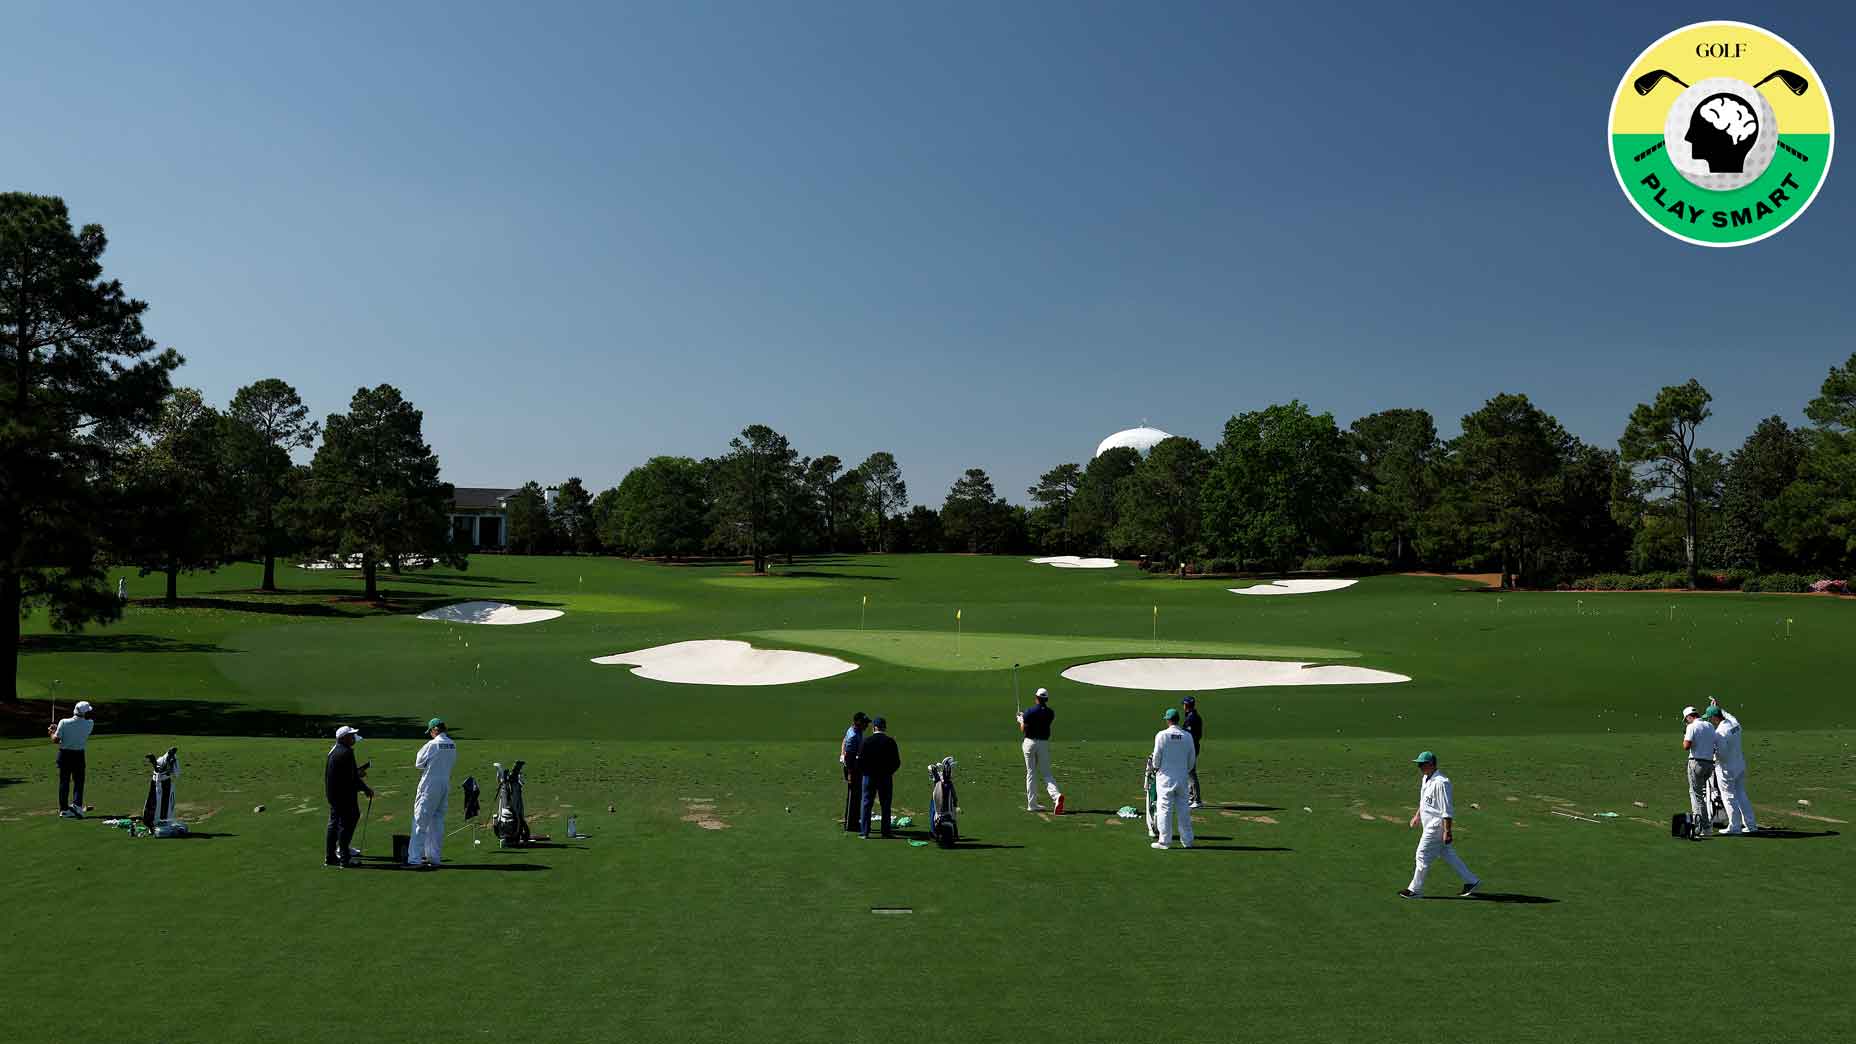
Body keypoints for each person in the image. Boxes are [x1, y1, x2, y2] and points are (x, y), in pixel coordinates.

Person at [1399, 751, 1480, 898]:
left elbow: (1447, 810)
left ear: (1431, 764)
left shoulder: (1442, 783)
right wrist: (1417, 815)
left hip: (1436, 826)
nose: (1419, 767)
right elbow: (1424, 801)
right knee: (1447, 853)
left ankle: (1414, 890)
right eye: (1418, 764)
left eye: (1422, 764)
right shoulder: (1426, 778)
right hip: (1428, 823)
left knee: (1422, 855)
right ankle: (1471, 880)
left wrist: (1447, 831)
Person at [408, 718, 458, 870]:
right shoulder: (452, 744)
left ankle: (414, 859)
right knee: (437, 822)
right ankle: (434, 857)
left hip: (429, 786)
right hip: (444, 784)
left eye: (430, 731)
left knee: (420, 821)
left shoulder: (432, 744)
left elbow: (418, 763)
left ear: (434, 730)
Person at [324, 725, 374, 868]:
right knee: (347, 823)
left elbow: (346, 774)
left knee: (334, 824)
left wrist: (357, 775)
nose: (353, 738)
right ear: (344, 738)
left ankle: (331, 857)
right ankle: (345, 858)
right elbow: (352, 778)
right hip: (344, 795)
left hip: (333, 794)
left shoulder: (335, 750)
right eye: (351, 736)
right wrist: (366, 789)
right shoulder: (346, 753)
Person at [1705, 704, 1758, 835]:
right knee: (1741, 794)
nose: (1709, 720)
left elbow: (1721, 754)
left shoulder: (1720, 732)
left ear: (1714, 718)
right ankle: (1751, 825)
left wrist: (1713, 756)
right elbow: (1729, 715)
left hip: (1726, 768)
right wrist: (1719, 707)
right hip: (1739, 764)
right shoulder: (1734, 723)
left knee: (1728, 796)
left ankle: (1734, 826)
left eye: (1709, 718)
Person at [1149, 707, 1196, 850]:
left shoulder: (1162, 735)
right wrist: (1184, 771)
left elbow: (1156, 757)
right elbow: (1192, 759)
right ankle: (1187, 841)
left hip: (1165, 777)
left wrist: (1156, 768)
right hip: (1182, 777)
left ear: (1168, 720)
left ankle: (1164, 841)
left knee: (1164, 808)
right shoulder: (1187, 736)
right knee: (1184, 809)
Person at [1018, 687, 1064, 814]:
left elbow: (1024, 729)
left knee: (1031, 773)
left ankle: (1032, 804)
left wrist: (1021, 720)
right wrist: (1024, 719)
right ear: (1046, 699)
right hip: (1043, 743)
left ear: (1036, 698)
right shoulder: (1050, 713)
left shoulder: (1029, 712)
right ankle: (1056, 796)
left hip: (1029, 743)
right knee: (1047, 773)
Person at [50, 700, 95, 817]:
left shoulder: (63, 722)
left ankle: (64, 810)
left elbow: (56, 739)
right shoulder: (90, 723)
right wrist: (58, 730)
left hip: (64, 755)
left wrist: (52, 732)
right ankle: (77, 806)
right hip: (79, 755)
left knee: (64, 782)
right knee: (79, 782)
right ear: (85, 713)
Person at [858, 717, 901, 839]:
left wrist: (865, 772)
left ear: (874, 727)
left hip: (869, 777)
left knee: (866, 803)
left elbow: (860, 761)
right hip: (885, 777)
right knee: (886, 804)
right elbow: (896, 762)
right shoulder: (890, 742)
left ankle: (865, 832)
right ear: (884, 727)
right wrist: (889, 772)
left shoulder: (866, 741)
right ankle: (886, 831)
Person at [1681, 705, 1717, 840]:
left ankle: (1702, 827)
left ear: (1689, 717)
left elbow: (1686, 746)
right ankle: (1705, 825)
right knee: (1701, 795)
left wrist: (1686, 736)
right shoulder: (1709, 726)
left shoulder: (1691, 727)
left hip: (1696, 762)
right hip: (1709, 764)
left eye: (1686, 720)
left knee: (1696, 796)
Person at [840, 711, 870, 832]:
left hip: (854, 767)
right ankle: (851, 825)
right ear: (857, 722)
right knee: (854, 796)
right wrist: (850, 774)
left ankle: (852, 822)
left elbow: (843, 741)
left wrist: (842, 753)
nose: (866, 725)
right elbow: (849, 757)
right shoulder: (853, 735)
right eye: (864, 723)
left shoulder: (854, 731)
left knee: (856, 796)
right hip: (853, 769)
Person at [1182, 695, 1204, 808]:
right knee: (1189, 772)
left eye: (1184, 705)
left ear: (1187, 705)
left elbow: (1189, 735)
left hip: (1192, 748)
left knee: (1191, 772)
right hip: (1193, 747)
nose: (1183, 707)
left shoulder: (1192, 718)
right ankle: (1191, 797)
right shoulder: (1191, 716)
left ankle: (1197, 799)